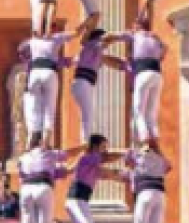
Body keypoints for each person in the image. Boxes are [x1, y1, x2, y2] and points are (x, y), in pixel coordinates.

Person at [64, 134, 127, 223]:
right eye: (103, 147)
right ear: (94, 147)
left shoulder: (92, 166)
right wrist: (127, 153)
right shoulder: (86, 158)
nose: (105, 150)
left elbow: (110, 174)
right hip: (75, 200)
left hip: (81, 201)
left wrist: (131, 177)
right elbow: (108, 158)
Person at [19, 21, 89, 145]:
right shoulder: (56, 38)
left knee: (34, 108)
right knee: (49, 108)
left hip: (34, 74)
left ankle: (32, 139)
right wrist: (87, 22)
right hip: (49, 72)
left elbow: (22, 51)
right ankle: (45, 140)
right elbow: (77, 33)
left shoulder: (32, 41)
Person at [17, 135, 80, 223]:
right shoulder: (48, 153)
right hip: (43, 187)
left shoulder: (23, 158)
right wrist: (84, 150)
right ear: (40, 142)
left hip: (26, 189)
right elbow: (68, 155)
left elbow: (22, 176)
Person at [101, 18, 166, 150]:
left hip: (143, 76)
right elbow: (164, 51)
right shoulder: (154, 40)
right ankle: (154, 143)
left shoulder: (134, 35)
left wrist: (98, 42)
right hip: (157, 74)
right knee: (151, 114)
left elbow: (111, 36)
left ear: (137, 26)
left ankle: (145, 142)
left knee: (138, 113)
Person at [69, 29, 129, 143]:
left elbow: (110, 61)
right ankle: (85, 143)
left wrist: (124, 65)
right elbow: (109, 42)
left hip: (81, 84)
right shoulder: (93, 45)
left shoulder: (93, 52)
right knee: (88, 114)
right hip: (83, 83)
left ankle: (85, 141)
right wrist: (127, 36)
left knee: (88, 114)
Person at [120, 144, 172, 223]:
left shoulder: (135, 151)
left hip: (145, 192)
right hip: (160, 193)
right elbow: (168, 167)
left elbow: (127, 162)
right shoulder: (158, 154)